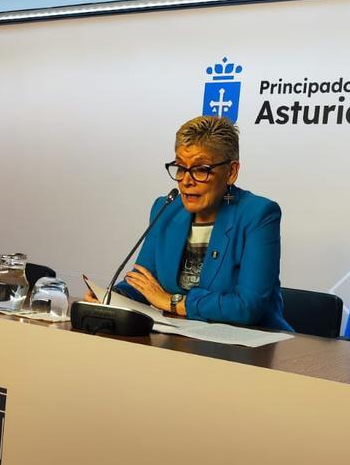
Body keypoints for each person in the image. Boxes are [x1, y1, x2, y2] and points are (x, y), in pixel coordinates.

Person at [106, 115, 291, 330]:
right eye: (181, 168)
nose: (186, 180)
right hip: (180, 339)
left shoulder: (258, 214)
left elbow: (247, 307)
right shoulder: (166, 208)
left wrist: (172, 303)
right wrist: (113, 296)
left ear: (231, 172)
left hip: (251, 347)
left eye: (201, 169)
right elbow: (144, 282)